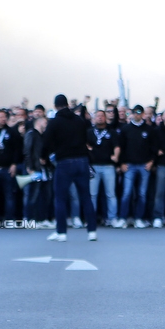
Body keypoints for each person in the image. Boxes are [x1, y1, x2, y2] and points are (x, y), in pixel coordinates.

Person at [42, 94, 97, 241]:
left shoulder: (54, 122)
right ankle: (92, 231)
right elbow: (87, 138)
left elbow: (46, 141)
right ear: (67, 104)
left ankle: (61, 232)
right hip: (82, 160)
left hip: (64, 162)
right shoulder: (79, 120)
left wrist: (43, 157)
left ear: (55, 106)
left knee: (60, 198)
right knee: (86, 197)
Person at [118, 106, 156, 228]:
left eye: (139, 113)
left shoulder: (149, 130)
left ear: (143, 114)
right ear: (132, 114)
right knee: (127, 193)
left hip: (144, 165)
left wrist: (151, 162)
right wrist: (121, 163)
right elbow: (121, 148)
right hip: (129, 165)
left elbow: (154, 148)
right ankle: (123, 218)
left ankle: (139, 218)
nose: (137, 115)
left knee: (142, 194)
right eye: (135, 113)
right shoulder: (126, 129)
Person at [87, 110, 123, 228]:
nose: (100, 118)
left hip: (108, 166)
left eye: (102, 116)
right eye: (98, 116)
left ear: (105, 118)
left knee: (111, 194)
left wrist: (116, 156)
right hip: (94, 166)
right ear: (94, 118)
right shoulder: (89, 132)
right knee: (92, 194)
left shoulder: (112, 132)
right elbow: (84, 145)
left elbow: (117, 146)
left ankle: (112, 218)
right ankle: (91, 219)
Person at [23, 114, 53, 227]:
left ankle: (42, 218)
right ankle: (30, 218)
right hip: (35, 169)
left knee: (45, 194)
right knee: (33, 194)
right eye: (45, 123)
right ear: (39, 123)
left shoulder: (43, 136)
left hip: (44, 169)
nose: (46, 125)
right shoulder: (31, 134)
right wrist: (30, 166)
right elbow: (27, 151)